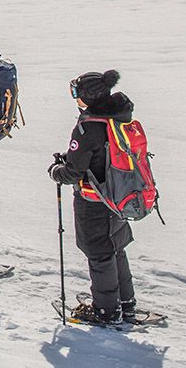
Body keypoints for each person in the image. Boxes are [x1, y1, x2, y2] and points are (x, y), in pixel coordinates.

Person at [48, 70, 138, 325]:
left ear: (88, 96)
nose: (74, 98)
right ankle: (125, 304)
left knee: (98, 253)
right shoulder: (118, 118)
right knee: (115, 248)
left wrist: (57, 171)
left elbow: (74, 171)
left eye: (76, 93)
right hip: (118, 197)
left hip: (94, 200)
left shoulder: (88, 127)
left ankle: (106, 311)